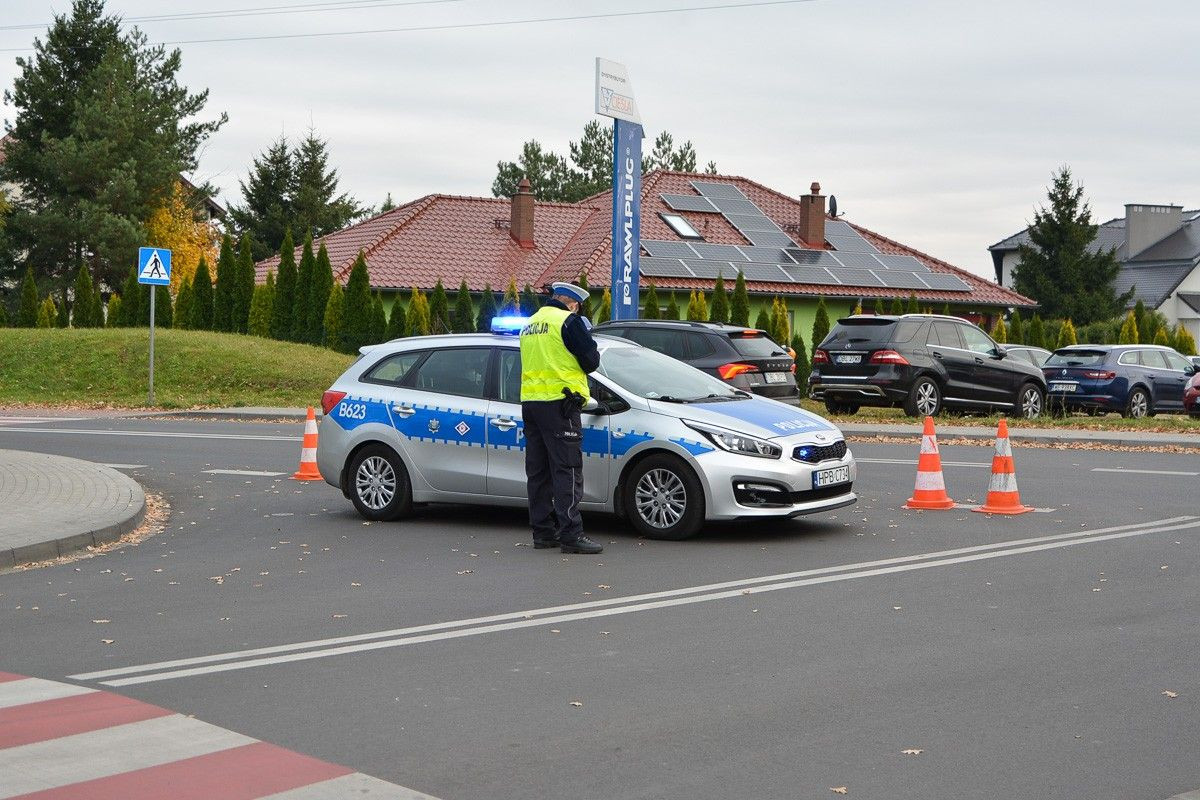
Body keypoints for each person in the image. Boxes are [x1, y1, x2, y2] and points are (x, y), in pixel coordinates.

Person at [519, 282, 604, 554]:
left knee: (539, 471)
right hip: (561, 405)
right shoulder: (569, 321)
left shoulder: (530, 324)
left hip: (532, 404)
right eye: (577, 306)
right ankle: (571, 534)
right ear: (572, 302)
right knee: (566, 470)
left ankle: (543, 533)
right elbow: (590, 361)